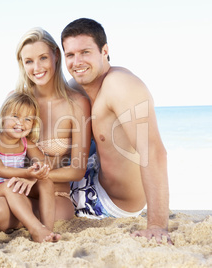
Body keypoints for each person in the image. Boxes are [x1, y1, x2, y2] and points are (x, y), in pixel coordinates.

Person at [62, 18, 171, 244]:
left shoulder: (121, 86)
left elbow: (153, 151)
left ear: (104, 51)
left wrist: (157, 225)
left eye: (85, 52)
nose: (77, 62)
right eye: (70, 55)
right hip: (92, 171)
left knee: (31, 190)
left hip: (109, 201)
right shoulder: (77, 86)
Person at [0, 28, 91, 233]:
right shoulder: (16, 100)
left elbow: (77, 170)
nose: (37, 67)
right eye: (28, 61)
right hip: (10, 189)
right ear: (21, 64)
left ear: (56, 55)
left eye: (43, 58)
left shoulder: (76, 103)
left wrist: (34, 176)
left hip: (52, 195)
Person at [0, 92, 60, 242]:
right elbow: (0, 170)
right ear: (3, 116)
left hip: (15, 191)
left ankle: (46, 229)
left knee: (46, 181)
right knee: (10, 185)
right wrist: (28, 173)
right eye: (15, 116)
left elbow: (46, 163)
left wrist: (39, 171)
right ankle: (35, 229)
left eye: (27, 119)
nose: (21, 122)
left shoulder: (26, 142)